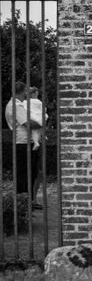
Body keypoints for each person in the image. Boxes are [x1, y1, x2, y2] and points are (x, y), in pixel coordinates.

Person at [4, 81, 43, 209]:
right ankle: (23, 205)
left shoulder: (19, 105)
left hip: (26, 143)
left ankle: (28, 203)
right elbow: (28, 124)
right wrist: (41, 123)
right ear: (24, 91)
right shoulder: (16, 106)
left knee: (30, 174)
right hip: (22, 144)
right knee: (24, 176)